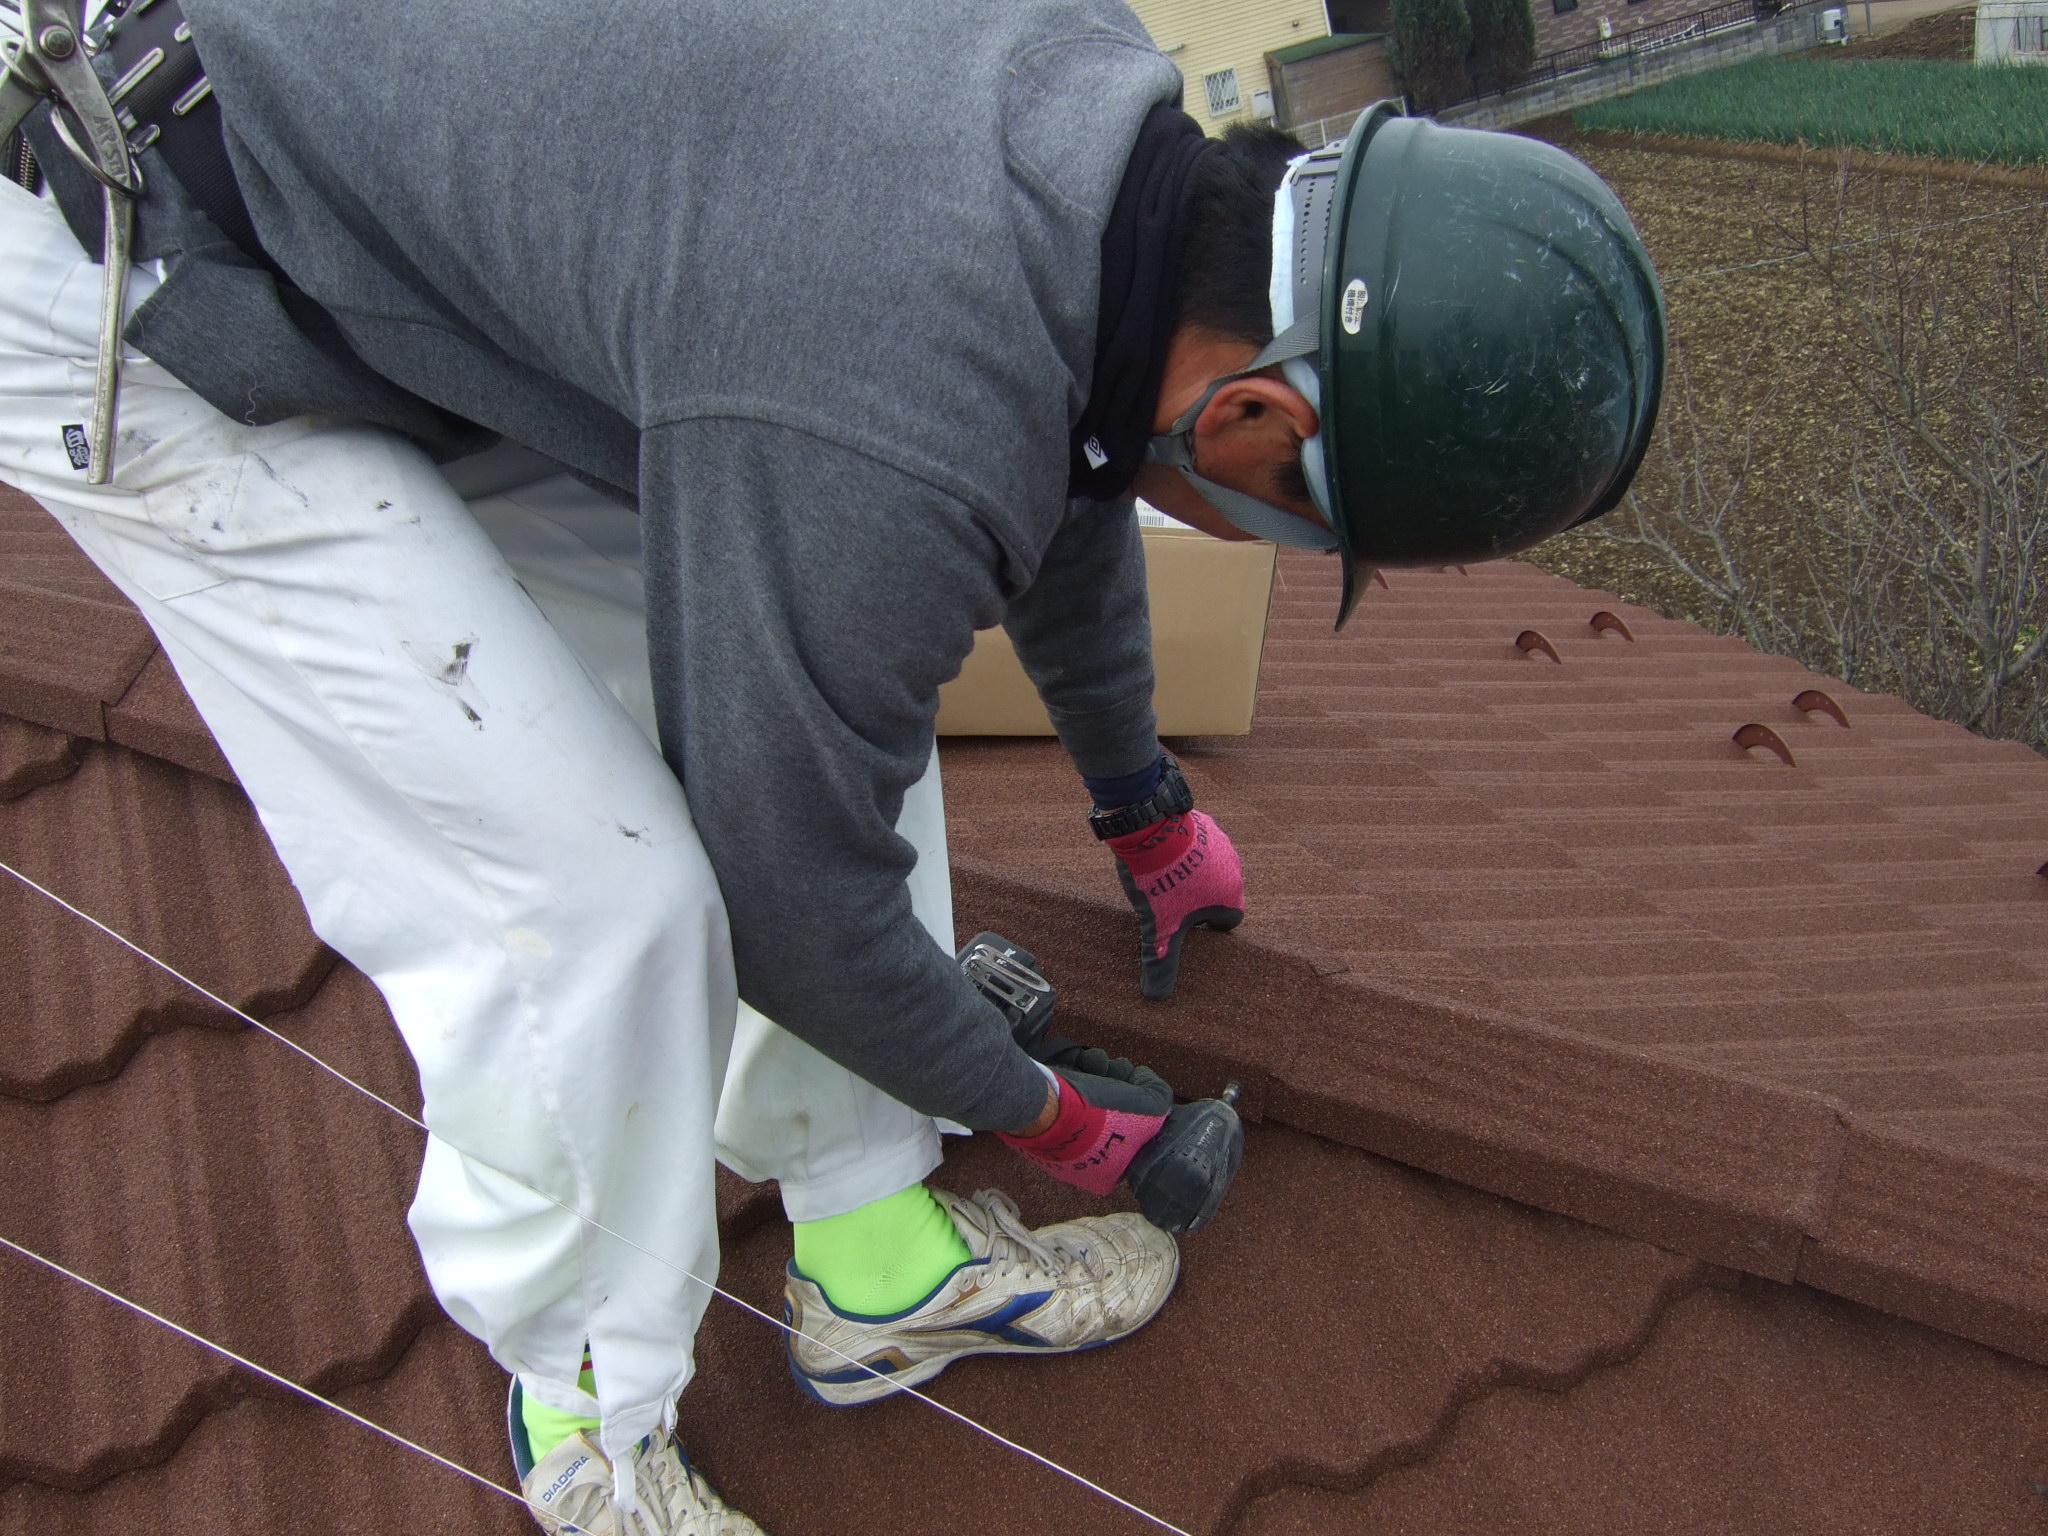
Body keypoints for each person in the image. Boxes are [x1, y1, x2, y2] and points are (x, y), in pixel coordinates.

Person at [0, 0, 1663, 1530]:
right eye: (1302, 518)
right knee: (601, 904)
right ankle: (585, 1424)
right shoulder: (877, 397)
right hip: (138, 255)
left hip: (429, 221)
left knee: (837, 707)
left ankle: (872, 1258)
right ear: (1255, 424)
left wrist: (1141, 801)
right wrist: (1062, 1123)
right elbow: (793, 896)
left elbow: (1074, 459)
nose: (1262, 535)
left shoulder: (1101, 129)